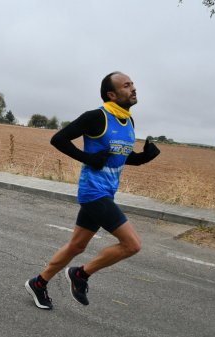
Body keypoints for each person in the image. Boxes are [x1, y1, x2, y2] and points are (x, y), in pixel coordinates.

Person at [25, 71, 160, 310]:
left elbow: (119, 157)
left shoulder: (128, 121)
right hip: (93, 192)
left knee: (76, 246)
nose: (133, 89)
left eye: (133, 84)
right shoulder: (97, 117)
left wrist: (142, 158)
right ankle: (81, 275)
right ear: (112, 94)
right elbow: (59, 139)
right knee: (132, 245)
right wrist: (87, 157)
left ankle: (39, 283)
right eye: (126, 86)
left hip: (107, 192)